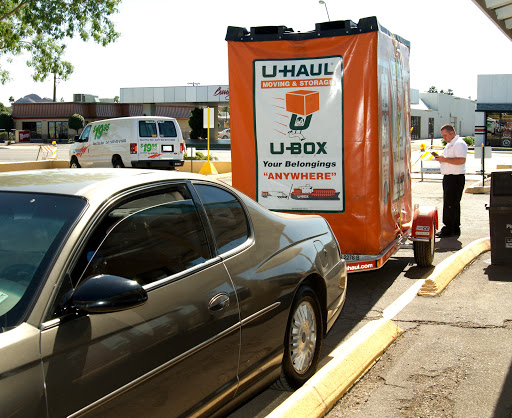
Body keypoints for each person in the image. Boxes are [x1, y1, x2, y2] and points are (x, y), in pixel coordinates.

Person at [434, 124, 468, 238]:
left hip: (455, 177)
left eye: (445, 135)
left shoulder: (459, 144)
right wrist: (442, 160)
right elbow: (450, 160)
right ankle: (452, 227)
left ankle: (450, 228)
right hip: (449, 177)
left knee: (451, 204)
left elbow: (461, 160)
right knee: (450, 203)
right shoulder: (450, 144)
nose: (444, 138)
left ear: (452, 133)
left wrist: (444, 159)